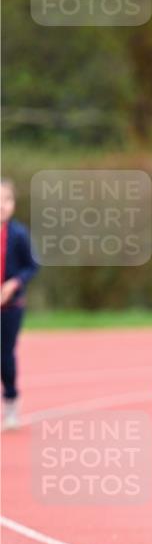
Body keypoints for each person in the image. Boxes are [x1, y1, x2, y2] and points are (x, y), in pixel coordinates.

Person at [1, 179, 40, 431]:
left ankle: (11, 399)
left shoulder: (19, 234)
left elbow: (32, 266)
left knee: (5, 356)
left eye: (7, 200)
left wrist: (13, 284)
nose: (2, 205)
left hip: (11, 307)